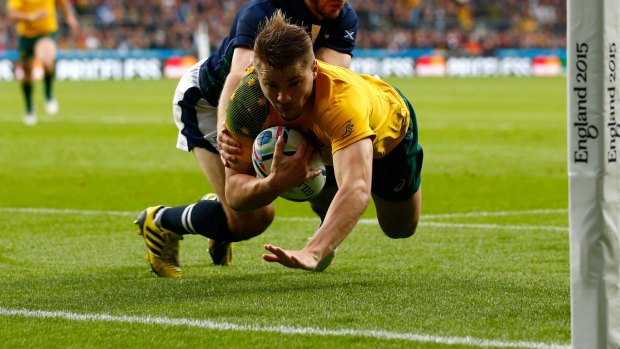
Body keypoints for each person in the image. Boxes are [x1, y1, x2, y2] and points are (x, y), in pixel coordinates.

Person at [134, 0, 358, 278]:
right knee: (252, 219)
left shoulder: (343, 18)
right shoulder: (263, 11)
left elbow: (324, 82)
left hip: (270, 105)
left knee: (326, 171)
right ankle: (162, 221)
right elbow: (239, 74)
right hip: (211, 101)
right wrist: (225, 127)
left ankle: (219, 211)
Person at [223, 10, 423, 271]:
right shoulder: (248, 101)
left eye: (294, 82)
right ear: (255, 73)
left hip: (389, 134)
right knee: (322, 196)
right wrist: (274, 184)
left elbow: (357, 189)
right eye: (271, 84)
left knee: (399, 228)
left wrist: (312, 252)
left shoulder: (341, 104)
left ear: (314, 68)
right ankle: (326, 226)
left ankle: (323, 237)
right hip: (322, 141)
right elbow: (234, 192)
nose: (283, 97)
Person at [7, 0, 79, 126]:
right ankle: (29, 108)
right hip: (27, 35)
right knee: (27, 73)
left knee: (47, 61)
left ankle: (48, 95)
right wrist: (30, 16)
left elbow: (62, 3)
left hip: (47, 31)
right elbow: (12, 14)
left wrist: (69, 16)